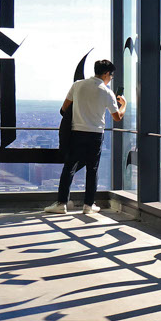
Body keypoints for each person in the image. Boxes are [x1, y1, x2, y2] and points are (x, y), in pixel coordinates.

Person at [44, 59, 125, 214]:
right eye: (111, 76)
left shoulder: (78, 85)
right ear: (107, 73)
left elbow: (64, 108)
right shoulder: (107, 92)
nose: (111, 78)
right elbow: (117, 117)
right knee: (92, 169)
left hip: (76, 132)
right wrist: (124, 104)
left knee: (69, 167)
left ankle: (61, 203)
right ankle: (88, 205)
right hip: (95, 135)